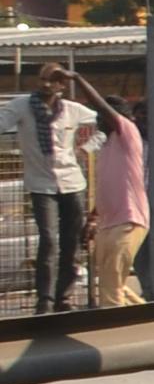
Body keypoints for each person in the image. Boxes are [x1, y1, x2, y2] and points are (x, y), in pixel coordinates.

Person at [20, 64, 99, 315]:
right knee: (48, 240)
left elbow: (106, 121)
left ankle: (63, 297)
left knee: (72, 243)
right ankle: (44, 301)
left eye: (54, 80)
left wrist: (85, 149)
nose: (47, 84)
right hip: (41, 184)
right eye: (44, 79)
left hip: (72, 182)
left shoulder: (72, 110)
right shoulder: (22, 107)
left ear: (63, 85)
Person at [81, 85, 144, 308]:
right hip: (108, 225)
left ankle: (115, 331)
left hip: (128, 221)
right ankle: (146, 319)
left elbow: (102, 106)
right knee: (113, 283)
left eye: (102, 116)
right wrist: (92, 218)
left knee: (110, 287)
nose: (99, 121)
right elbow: (107, 186)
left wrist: (76, 78)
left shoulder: (127, 133)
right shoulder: (106, 147)